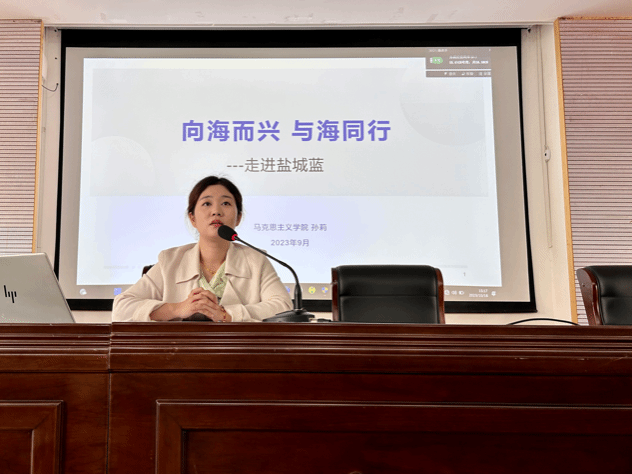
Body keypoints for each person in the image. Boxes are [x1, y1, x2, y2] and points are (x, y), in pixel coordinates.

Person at [112, 176, 292, 322]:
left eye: (226, 203)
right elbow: (122, 307)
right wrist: (177, 309)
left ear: (238, 218)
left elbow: (283, 307)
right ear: (192, 218)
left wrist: (227, 314)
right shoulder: (171, 260)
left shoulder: (256, 260)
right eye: (207, 203)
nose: (216, 211)